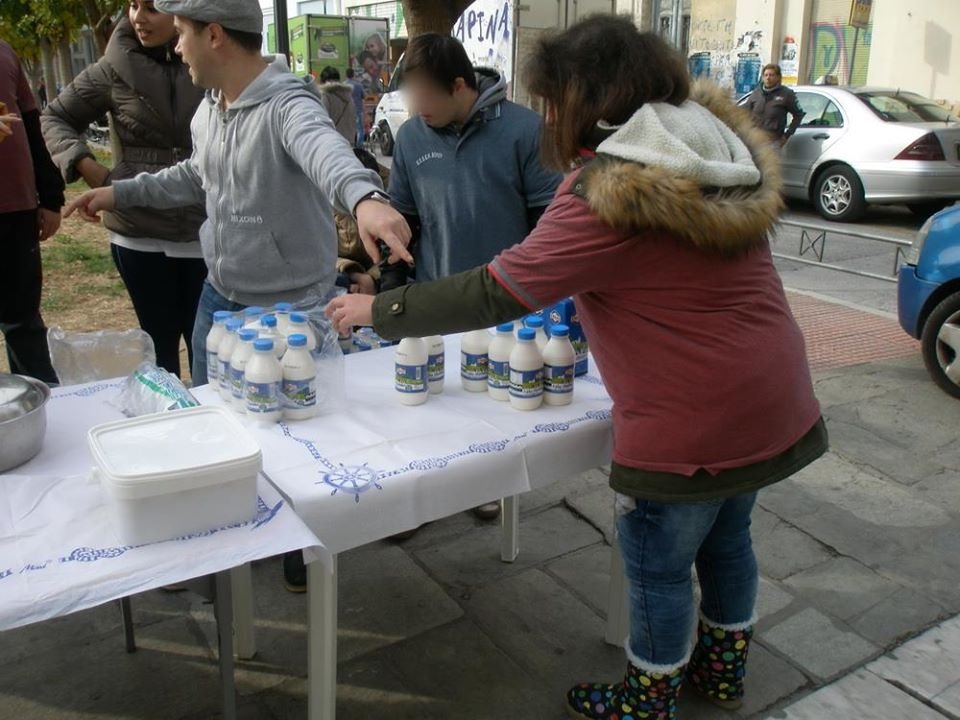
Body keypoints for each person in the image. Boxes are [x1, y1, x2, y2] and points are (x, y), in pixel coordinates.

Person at [326, 16, 828, 720]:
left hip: (689, 420)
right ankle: (720, 674)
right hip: (771, 391)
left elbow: (497, 289)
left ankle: (646, 698)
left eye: (553, 102)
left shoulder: (607, 192)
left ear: (585, 100)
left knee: (655, 561)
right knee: (728, 539)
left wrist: (379, 312)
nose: (547, 118)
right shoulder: (708, 149)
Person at [63, 0, 412, 387]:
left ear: (214, 34)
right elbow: (198, 175)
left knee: (286, 431)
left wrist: (365, 198)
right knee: (212, 419)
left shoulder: (287, 104)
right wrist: (117, 194)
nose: (177, 47)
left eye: (181, 32)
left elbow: (324, 149)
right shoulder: (209, 109)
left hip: (290, 310)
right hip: (218, 298)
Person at [382, 33, 561, 523]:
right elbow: (403, 215)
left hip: (502, 303)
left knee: (491, 404)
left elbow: (549, 217)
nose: (417, 108)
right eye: (409, 97)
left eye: (425, 96)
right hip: (434, 297)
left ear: (461, 85)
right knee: (425, 399)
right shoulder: (413, 136)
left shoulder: (525, 131)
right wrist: (390, 286)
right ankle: (416, 499)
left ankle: (487, 485)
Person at [42, 2, 207, 379]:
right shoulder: (113, 67)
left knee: (209, 350)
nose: (139, 17)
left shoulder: (209, 57)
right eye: (132, 5)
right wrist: (92, 170)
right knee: (159, 349)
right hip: (138, 234)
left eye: (152, 7)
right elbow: (55, 116)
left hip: (204, 228)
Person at [0, 41, 64, 384]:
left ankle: (42, 406)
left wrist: (50, 197)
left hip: (16, 210)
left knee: (23, 320)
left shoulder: (5, 52)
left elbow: (31, 125)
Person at [744, 63, 804, 147]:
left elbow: (799, 115)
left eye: (771, 75)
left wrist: (787, 135)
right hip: (754, 140)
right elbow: (744, 112)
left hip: (773, 141)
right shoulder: (756, 93)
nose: (768, 78)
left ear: (778, 77)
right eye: (766, 75)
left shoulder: (786, 94)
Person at [317, 65, 357, 146]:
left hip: (332, 143)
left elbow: (323, 119)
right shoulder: (348, 95)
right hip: (349, 141)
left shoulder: (325, 95)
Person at [345, 67, 365, 146]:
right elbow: (363, 98)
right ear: (353, 75)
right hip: (357, 110)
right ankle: (359, 146)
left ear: (346, 75)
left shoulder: (343, 85)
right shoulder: (358, 85)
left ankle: (348, 145)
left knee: (347, 129)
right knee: (360, 129)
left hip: (346, 112)